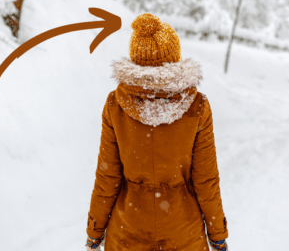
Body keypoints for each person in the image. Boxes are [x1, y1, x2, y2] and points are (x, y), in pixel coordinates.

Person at [85, 13, 228, 251]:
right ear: (174, 58)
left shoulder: (115, 104)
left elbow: (107, 177)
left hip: (128, 232)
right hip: (183, 234)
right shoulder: (197, 106)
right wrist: (217, 234)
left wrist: (95, 230)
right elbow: (206, 179)